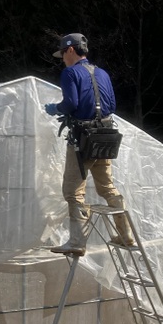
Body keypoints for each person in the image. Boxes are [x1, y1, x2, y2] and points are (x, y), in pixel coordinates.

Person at [43, 33, 135, 255]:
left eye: (63, 54)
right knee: (107, 186)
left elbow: (71, 103)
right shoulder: (102, 73)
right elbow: (111, 105)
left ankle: (77, 242)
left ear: (70, 50)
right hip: (105, 136)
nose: (63, 60)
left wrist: (56, 109)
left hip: (83, 140)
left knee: (73, 191)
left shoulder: (70, 73)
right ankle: (126, 235)